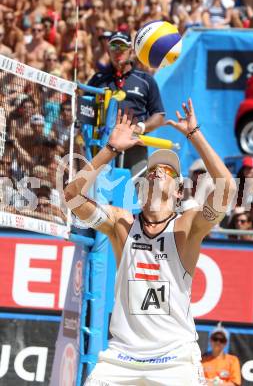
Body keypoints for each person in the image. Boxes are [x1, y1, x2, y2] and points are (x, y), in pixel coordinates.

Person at [64, 98, 235, 386]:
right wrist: (110, 150)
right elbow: (72, 197)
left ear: (179, 191)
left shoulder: (187, 225)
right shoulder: (122, 223)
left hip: (175, 356)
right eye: (153, 169)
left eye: (167, 171)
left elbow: (227, 188)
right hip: (122, 356)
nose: (158, 171)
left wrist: (195, 135)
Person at [87, 31, 165, 175]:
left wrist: (140, 127)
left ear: (131, 50)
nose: (118, 51)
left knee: (136, 190)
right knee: (99, 190)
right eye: (114, 47)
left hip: (134, 144)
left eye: (122, 47)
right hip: (104, 144)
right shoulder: (97, 79)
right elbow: (85, 108)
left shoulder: (145, 80)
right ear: (108, 51)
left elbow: (159, 115)